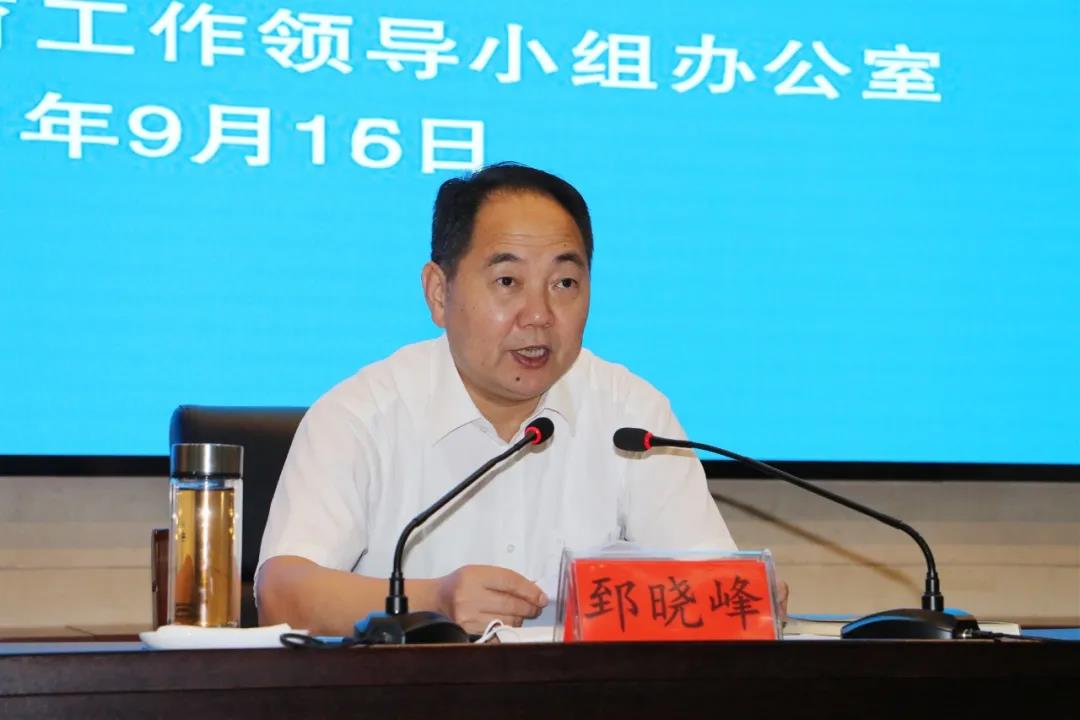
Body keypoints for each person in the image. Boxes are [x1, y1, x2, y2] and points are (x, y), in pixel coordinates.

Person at [256, 163, 740, 636]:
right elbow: (282, 595)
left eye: (564, 284)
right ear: (439, 293)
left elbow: (719, 593)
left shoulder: (633, 419)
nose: (539, 315)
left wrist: (749, 600)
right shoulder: (360, 416)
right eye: (508, 282)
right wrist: (433, 602)